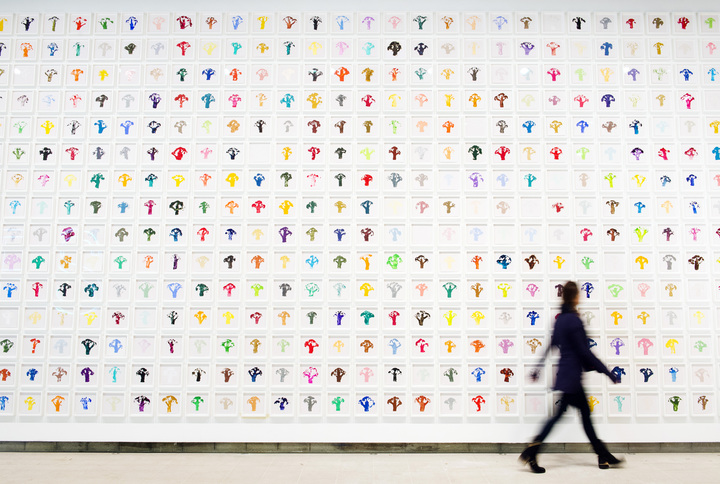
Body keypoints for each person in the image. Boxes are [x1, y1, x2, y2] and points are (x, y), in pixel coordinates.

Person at [519, 281, 624, 473]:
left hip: (565, 375)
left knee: (578, 416)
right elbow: (584, 352)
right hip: (573, 377)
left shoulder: (560, 319)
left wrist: (537, 368)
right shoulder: (574, 321)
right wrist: (607, 372)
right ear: (575, 297)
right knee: (579, 417)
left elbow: (551, 345)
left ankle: (533, 451)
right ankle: (532, 451)